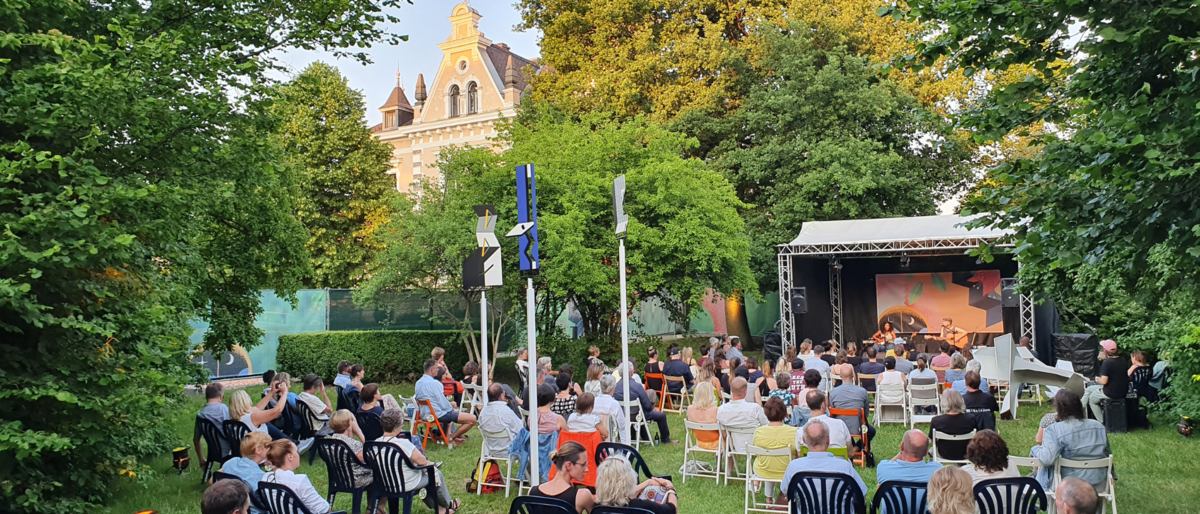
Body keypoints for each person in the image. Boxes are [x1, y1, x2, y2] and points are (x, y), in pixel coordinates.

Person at [375, 408, 461, 514]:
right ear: (395, 428)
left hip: (384, 483)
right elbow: (422, 461)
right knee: (435, 474)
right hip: (404, 483)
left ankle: (441, 510)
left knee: (427, 477)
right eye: (402, 424)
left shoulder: (374, 444)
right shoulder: (402, 443)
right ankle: (448, 504)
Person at [1031, 390, 1112, 492]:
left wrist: (1034, 449)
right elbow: (1107, 453)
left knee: (1047, 468)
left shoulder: (1054, 430)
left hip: (1067, 486)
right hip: (1098, 484)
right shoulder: (1098, 426)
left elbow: (1047, 459)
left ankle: (1037, 494)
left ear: (1058, 408)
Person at [781, 422, 866, 497]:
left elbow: (786, 493)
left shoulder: (794, 467)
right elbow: (862, 495)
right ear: (828, 440)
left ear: (804, 440)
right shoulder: (844, 467)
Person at [414, 359, 476, 444]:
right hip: (436, 416)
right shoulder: (435, 383)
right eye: (436, 368)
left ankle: (447, 436)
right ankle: (450, 438)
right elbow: (443, 404)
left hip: (426, 416)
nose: (438, 370)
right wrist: (452, 408)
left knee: (449, 413)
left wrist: (449, 407)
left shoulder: (418, 383)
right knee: (472, 419)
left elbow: (434, 401)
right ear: (432, 370)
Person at [260, 440, 329, 513]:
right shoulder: (299, 481)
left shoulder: (266, 478)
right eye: (296, 451)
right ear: (290, 457)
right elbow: (323, 509)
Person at [614, 362, 676, 443]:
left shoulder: (615, 387)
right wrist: (651, 408)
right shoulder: (637, 386)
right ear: (631, 372)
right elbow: (647, 406)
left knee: (639, 411)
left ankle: (641, 437)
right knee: (661, 416)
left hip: (623, 416)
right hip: (637, 416)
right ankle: (665, 440)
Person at [594, 456, 678, 514]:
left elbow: (621, 496)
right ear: (628, 481)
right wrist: (670, 487)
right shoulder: (642, 506)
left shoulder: (596, 508)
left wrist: (647, 483)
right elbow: (672, 509)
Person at [752, 397, 797, 503]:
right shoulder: (793, 432)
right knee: (773, 460)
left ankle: (768, 498)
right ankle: (784, 496)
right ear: (784, 413)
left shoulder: (759, 432)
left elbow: (757, 453)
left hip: (764, 470)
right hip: (786, 471)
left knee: (769, 460)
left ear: (766, 413)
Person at [531, 441, 595, 514]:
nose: (587, 469)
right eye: (583, 465)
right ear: (568, 466)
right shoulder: (582, 496)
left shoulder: (532, 492)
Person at [230, 387, 303, 449]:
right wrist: (284, 393)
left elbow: (257, 408)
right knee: (267, 423)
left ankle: (292, 442)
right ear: (245, 401)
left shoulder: (236, 419)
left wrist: (271, 393)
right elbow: (277, 410)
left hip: (246, 450)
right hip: (260, 451)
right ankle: (293, 444)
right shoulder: (253, 417)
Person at [219, 432, 271, 514]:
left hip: (230, 507)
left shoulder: (232, 462)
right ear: (258, 450)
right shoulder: (261, 477)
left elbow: (213, 480)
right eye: (269, 447)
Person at [1082, 339, 1129, 424]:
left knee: (1092, 399)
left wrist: (1097, 379)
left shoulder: (1107, 363)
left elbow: (1104, 381)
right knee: (1089, 389)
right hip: (1122, 390)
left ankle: (1101, 421)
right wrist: (1104, 360)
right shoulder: (1123, 360)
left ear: (1105, 350)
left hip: (1110, 392)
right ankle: (1080, 409)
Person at [830, 365, 874, 449]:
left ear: (840, 375)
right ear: (853, 375)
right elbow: (865, 413)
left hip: (839, 429)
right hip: (858, 428)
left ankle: (851, 448)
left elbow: (832, 414)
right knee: (871, 431)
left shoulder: (833, 393)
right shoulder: (862, 391)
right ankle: (856, 448)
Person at [876, 429, 942, 485]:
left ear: (902, 446)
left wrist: (903, 449)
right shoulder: (938, 471)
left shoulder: (883, 468)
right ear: (926, 452)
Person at [328, 410, 374, 489]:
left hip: (338, 478)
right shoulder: (353, 444)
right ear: (349, 423)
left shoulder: (328, 442)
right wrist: (359, 432)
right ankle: (375, 501)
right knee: (382, 477)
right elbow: (369, 458)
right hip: (355, 479)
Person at [929, 389, 976, 462]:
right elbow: (975, 438)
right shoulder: (971, 418)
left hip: (943, 453)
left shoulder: (936, 420)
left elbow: (932, 441)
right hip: (965, 453)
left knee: (931, 451)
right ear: (961, 401)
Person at [479, 383, 524, 454]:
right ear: (502, 396)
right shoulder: (507, 412)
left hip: (490, 448)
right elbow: (520, 429)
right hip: (509, 449)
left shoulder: (483, 412)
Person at [194, 383, 231, 468]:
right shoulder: (223, 409)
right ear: (221, 397)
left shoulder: (200, 415)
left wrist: (201, 459)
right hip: (228, 451)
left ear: (206, 397)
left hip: (213, 451)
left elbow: (196, 440)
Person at [594, 375, 628, 443]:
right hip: (611, 435)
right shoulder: (614, 403)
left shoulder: (594, 401)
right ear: (612, 388)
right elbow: (622, 425)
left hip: (596, 434)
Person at [687, 382, 720, 450]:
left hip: (699, 442)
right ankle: (725, 460)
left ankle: (719, 459)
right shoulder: (715, 410)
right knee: (729, 439)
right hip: (716, 443)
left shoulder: (690, 409)